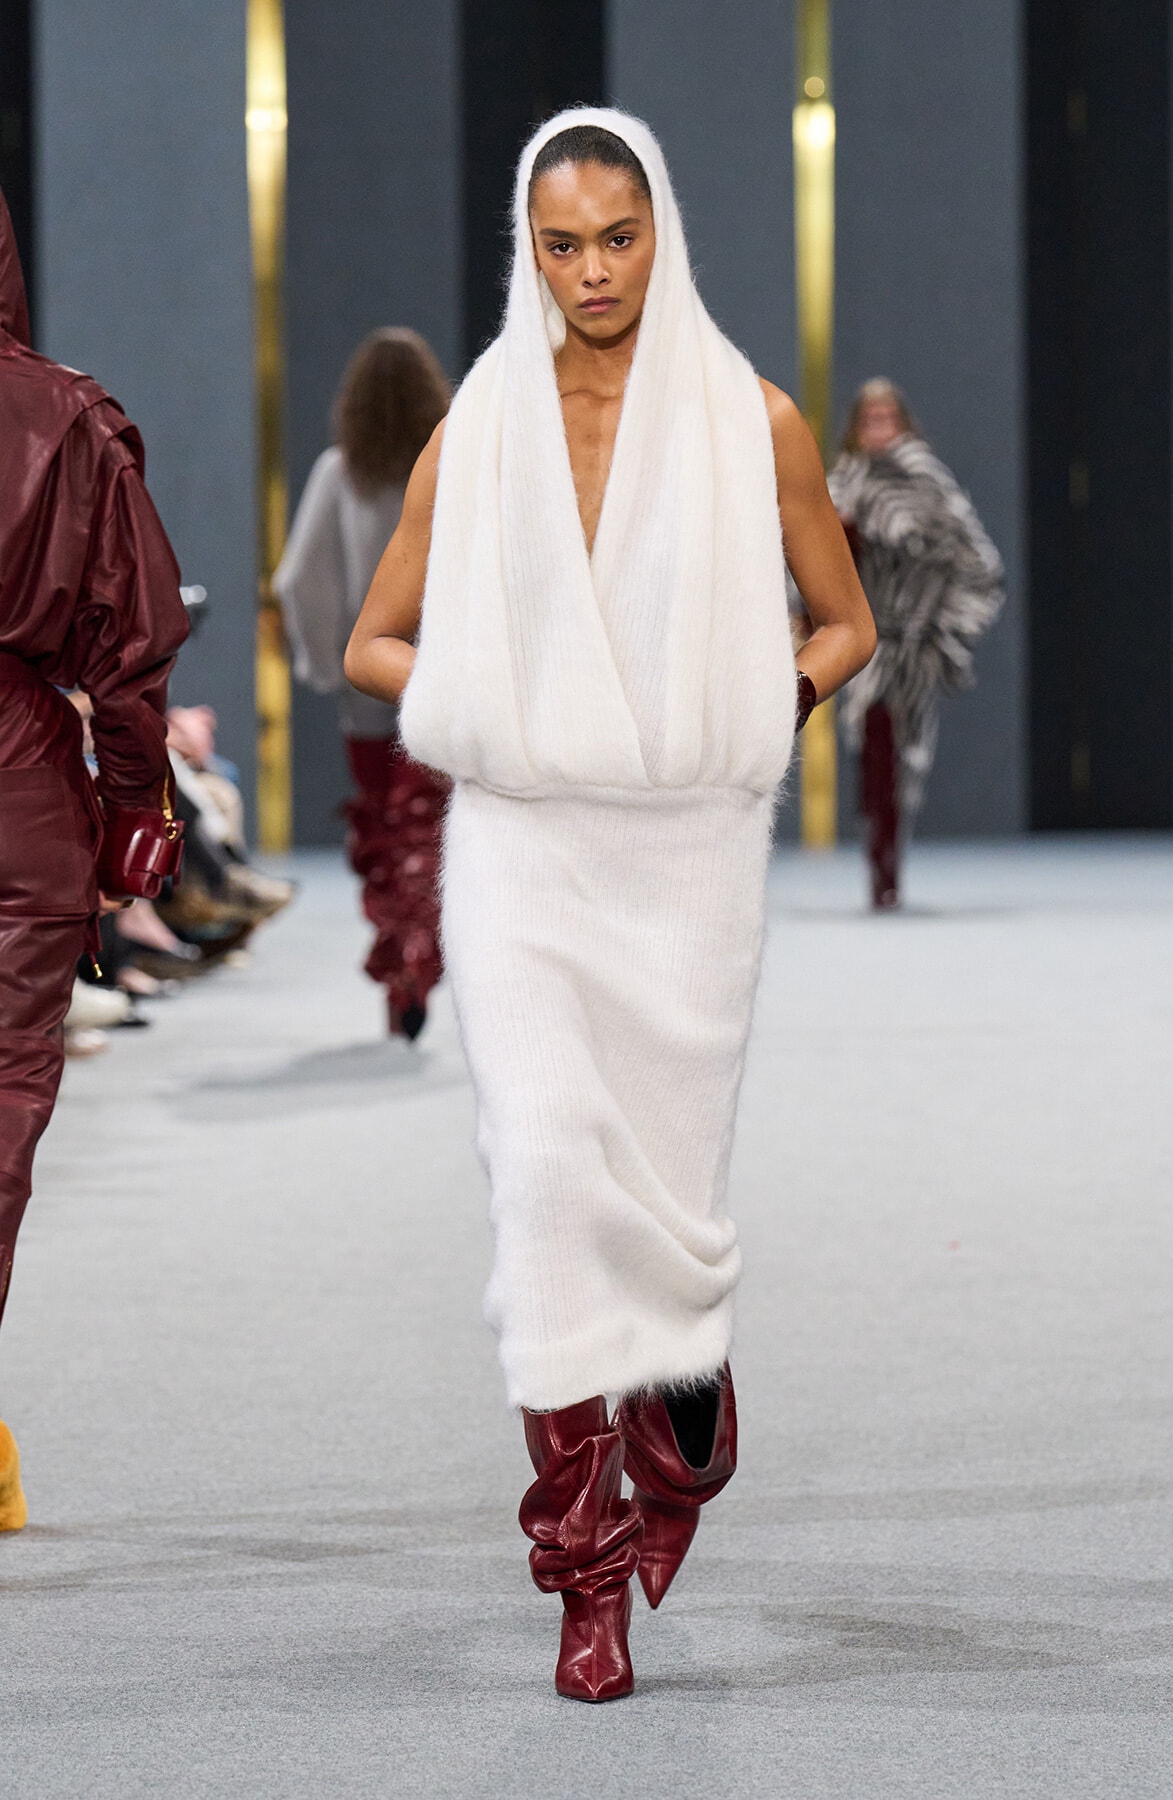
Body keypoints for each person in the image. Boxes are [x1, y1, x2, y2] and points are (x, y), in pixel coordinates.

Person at [345, 110, 876, 1701]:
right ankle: (584, 1578)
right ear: (528, 249)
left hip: (685, 861)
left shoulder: (751, 421)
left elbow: (842, 623)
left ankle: (682, 1428)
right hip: (523, 852)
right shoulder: (484, 424)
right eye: (562, 243)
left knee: (660, 1211)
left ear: (664, 235)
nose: (592, 271)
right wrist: (496, 708)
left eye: (619, 239)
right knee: (544, 1191)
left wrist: (761, 701)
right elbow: (375, 642)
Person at [0, 188, 188, 1530]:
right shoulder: (62, 417)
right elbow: (130, 647)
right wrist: (136, 815)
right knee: (2, 1105)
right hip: (16, 777)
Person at [275, 329, 451, 1039]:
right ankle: (422, 958)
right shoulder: (457, 463)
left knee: (382, 827)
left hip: (370, 683)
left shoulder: (340, 472)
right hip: (448, 677)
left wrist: (327, 663)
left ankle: (398, 965)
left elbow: (298, 579)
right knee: (428, 829)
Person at [828, 378, 1005, 908]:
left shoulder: (930, 484)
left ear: (904, 423)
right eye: (869, 419)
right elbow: (812, 560)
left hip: (915, 643)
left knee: (906, 756)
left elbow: (978, 562)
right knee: (870, 747)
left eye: (887, 418)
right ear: (856, 427)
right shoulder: (843, 484)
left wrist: (949, 626)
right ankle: (879, 860)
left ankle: (889, 863)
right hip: (867, 643)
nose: (878, 428)